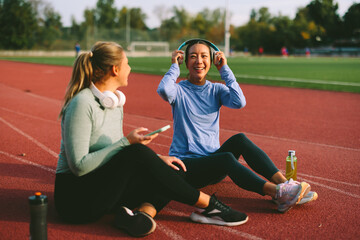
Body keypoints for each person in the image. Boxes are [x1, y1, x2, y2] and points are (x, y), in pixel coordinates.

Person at [54, 41, 249, 238]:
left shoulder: (114, 102)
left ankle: (137, 216)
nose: (130, 68)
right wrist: (127, 143)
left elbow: (114, 152)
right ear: (115, 69)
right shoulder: (82, 103)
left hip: (102, 189)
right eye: (127, 63)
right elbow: (79, 166)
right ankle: (211, 206)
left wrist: (157, 160)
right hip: (76, 203)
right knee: (135, 152)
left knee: (174, 169)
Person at [157, 40, 318, 218]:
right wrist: (174, 66)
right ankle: (277, 193)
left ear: (212, 61)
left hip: (213, 164)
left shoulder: (216, 90)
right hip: (187, 167)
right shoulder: (178, 91)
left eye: (204, 56)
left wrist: (224, 69)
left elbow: (239, 102)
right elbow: (164, 90)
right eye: (193, 57)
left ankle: (285, 185)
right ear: (185, 62)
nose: (199, 61)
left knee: (240, 140)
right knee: (225, 158)